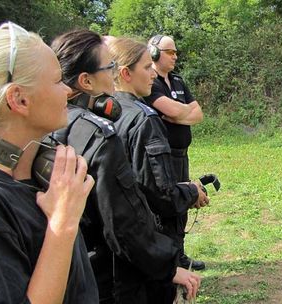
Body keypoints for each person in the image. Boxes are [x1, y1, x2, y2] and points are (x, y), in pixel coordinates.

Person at [50, 29, 200, 303]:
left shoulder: (50, 127)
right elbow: (124, 220)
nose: (113, 75)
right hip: (117, 274)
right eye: (109, 68)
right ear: (86, 81)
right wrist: (167, 265)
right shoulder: (101, 133)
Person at [0, 22, 98, 303]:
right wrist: (63, 223)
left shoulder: (39, 175)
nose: (67, 90)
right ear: (19, 99)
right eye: (56, 81)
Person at [106, 37, 207, 301]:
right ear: (125, 73)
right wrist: (191, 191)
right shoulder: (143, 120)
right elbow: (161, 196)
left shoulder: (103, 112)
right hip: (149, 236)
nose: (153, 73)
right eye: (146, 67)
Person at [144, 34, 206, 270]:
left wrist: (176, 114)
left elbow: (197, 114)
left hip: (182, 154)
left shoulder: (178, 81)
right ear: (155, 54)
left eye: (175, 52)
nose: (175, 56)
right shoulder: (150, 83)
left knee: (184, 202)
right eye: (170, 52)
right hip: (163, 156)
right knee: (166, 206)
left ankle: (179, 255)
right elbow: (171, 109)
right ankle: (168, 258)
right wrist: (181, 112)